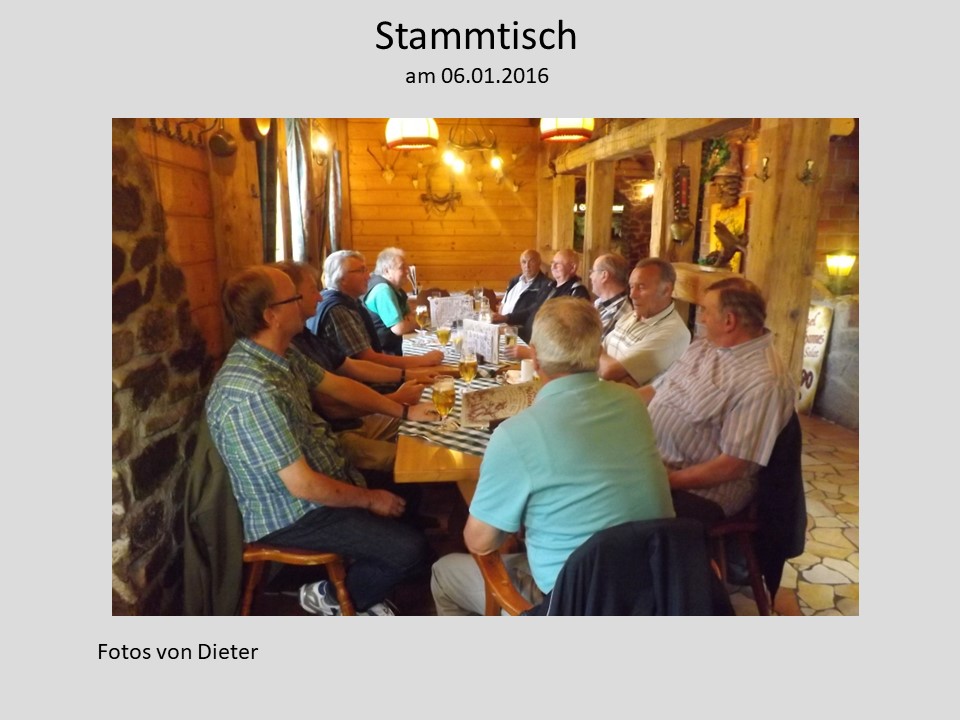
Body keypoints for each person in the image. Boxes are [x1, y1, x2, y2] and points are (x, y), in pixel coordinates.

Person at [205, 265, 432, 615]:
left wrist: (403, 411)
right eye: (295, 297)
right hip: (293, 515)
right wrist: (369, 499)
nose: (310, 300)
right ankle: (328, 596)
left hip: (323, 481)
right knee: (410, 551)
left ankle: (364, 587)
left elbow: (340, 386)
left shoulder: (280, 354)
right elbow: (303, 486)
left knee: (409, 496)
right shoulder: (253, 391)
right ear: (270, 315)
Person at [430, 297, 675, 615]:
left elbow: (479, 542)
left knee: (443, 573)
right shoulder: (632, 403)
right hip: (652, 588)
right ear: (597, 350)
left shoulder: (516, 434)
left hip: (572, 604)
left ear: (534, 356)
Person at [639, 277, 796, 524]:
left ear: (729, 321)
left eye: (705, 311)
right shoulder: (704, 346)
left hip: (699, 492)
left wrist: (664, 481)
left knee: (611, 511)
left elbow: (732, 466)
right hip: (652, 461)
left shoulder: (764, 381)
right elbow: (657, 390)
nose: (701, 318)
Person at [273, 260, 434, 472]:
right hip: (339, 434)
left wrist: (408, 378)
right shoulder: (292, 346)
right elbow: (334, 406)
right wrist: (398, 399)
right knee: (419, 457)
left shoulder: (302, 336)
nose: (320, 297)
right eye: (312, 290)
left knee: (436, 419)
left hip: (354, 420)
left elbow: (351, 369)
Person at [310, 250, 444, 370]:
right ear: (342, 278)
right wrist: (422, 360)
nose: (369, 276)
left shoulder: (347, 301)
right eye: (361, 271)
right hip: (364, 380)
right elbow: (369, 359)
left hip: (373, 369)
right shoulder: (338, 310)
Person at [599, 257, 690, 386]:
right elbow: (595, 352)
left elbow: (608, 371)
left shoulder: (674, 333)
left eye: (641, 287)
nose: (632, 295)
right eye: (631, 287)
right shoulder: (631, 316)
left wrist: (602, 360)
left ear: (666, 290)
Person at [362, 247, 422, 355]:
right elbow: (400, 328)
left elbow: (410, 316)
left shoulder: (396, 289)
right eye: (402, 267)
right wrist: (411, 321)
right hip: (381, 355)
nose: (407, 271)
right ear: (386, 271)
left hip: (388, 350)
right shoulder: (383, 290)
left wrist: (409, 320)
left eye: (407, 267)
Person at [492, 249, 552, 325]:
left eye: (531, 261)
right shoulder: (514, 281)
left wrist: (506, 318)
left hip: (520, 327)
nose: (527, 266)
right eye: (524, 262)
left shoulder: (546, 285)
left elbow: (533, 311)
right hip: (503, 325)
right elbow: (503, 304)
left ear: (539, 263)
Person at [588, 252, 631, 338]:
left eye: (593, 271)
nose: (590, 276)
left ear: (604, 276)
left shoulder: (617, 313)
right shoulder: (601, 302)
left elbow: (587, 342)